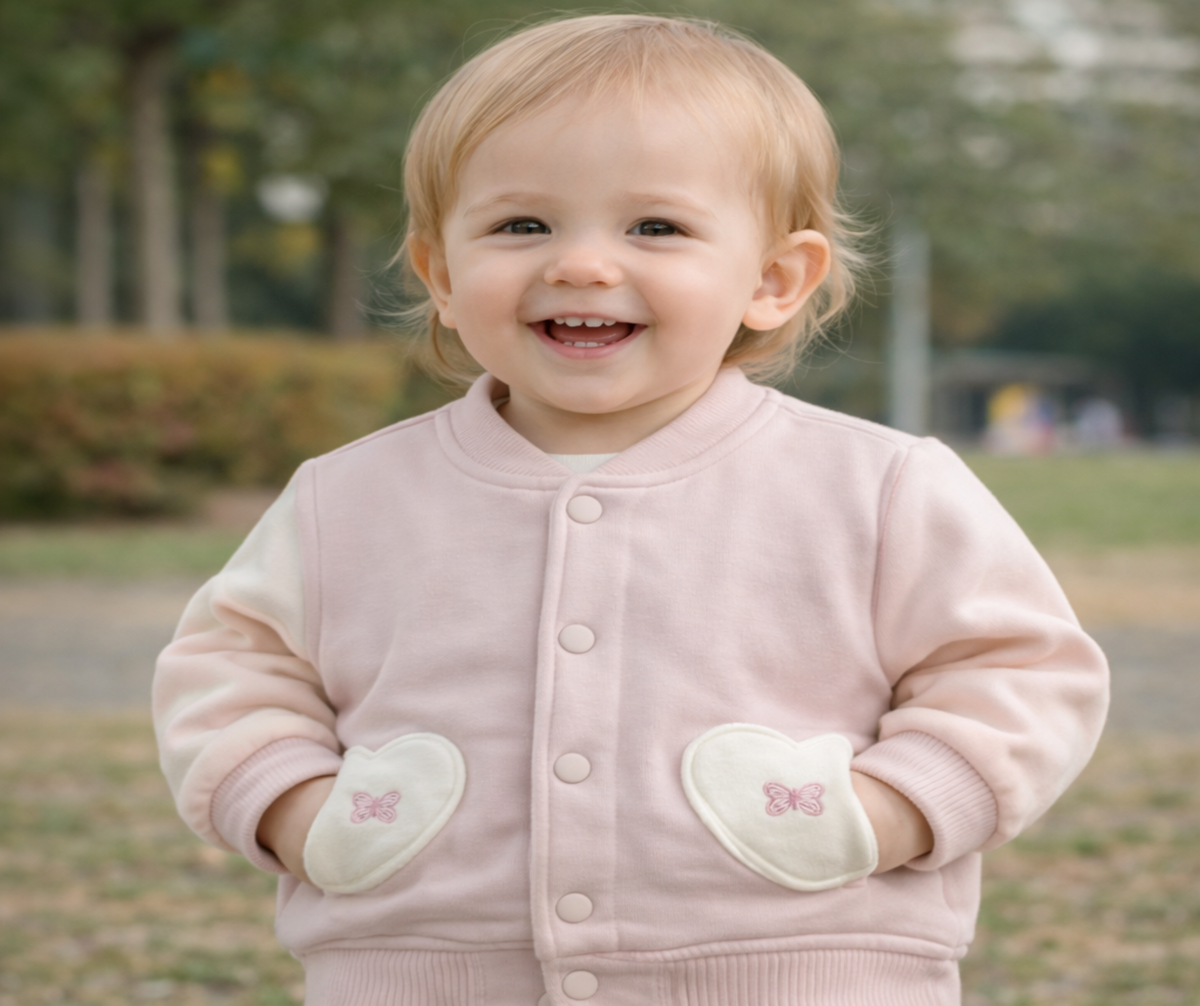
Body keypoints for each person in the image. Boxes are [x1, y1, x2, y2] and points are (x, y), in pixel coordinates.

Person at [153, 15, 1109, 1006]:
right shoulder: (345, 499)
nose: (582, 264)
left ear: (775, 280)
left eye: (655, 226)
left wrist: (891, 809)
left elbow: (1021, 668)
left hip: (806, 974)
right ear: (440, 273)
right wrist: (298, 810)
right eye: (522, 225)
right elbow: (231, 670)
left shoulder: (877, 485)